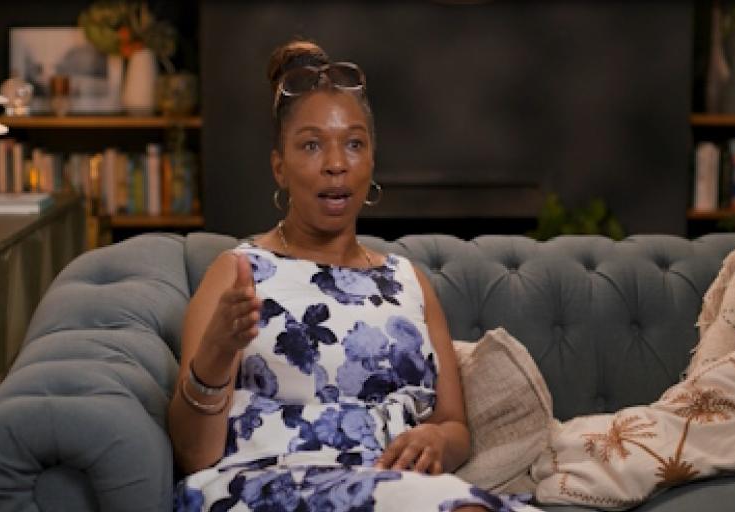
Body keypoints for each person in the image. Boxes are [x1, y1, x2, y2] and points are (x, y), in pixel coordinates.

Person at [168, 39, 541, 512]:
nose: (336, 164)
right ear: (279, 168)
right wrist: (217, 351)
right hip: (271, 484)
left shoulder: (408, 280)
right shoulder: (238, 273)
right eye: (310, 145)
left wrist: (437, 441)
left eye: (354, 143)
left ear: (371, 162)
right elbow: (193, 454)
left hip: (394, 482)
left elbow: (455, 426)